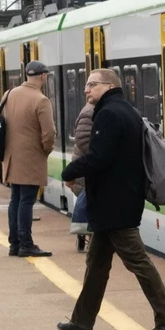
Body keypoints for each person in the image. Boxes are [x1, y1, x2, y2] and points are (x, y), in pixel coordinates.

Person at [58, 69, 165, 330]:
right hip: (116, 202)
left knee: (138, 261)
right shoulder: (126, 110)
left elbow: (100, 157)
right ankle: (81, 321)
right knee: (96, 263)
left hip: (115, 204)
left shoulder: (109, 114)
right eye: (87, 85)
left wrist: (70, 170)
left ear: (109, 86)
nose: (87, 89)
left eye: (92, 85)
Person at [1, 61, 56, 258]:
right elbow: (48, 134)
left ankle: (14, 243)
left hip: (11, 157)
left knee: (15, 199)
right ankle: (26, 243)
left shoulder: (9, 94)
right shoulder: (41, 100)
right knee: (27, 201)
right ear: (43, 76)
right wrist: (46, 150)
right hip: (31, 158)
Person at [68, 98, 96, 252]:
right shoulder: (90, 112)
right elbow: (86, 144)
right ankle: (88, 239)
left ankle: (83, 237)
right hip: (86, 169)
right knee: (89, 203)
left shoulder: (90, 110)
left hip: (82, 167)